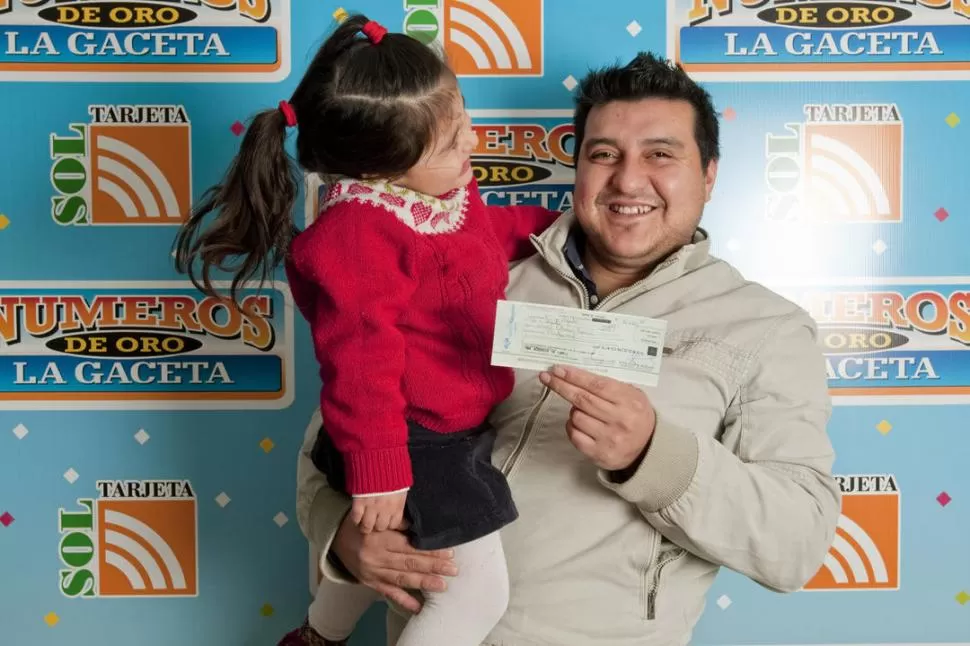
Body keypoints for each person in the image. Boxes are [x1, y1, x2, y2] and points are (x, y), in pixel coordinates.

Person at [294, 51, 842, 645]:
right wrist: (343, 542)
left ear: (709, 173)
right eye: (604, 154)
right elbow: (337, 445)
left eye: (661, 154)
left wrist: (653, 454)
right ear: (577, 166)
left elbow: (796, 545)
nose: (628, 180)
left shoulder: (765, 327)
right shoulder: (475, 271)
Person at [171, 13, 561, 646]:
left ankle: (317, 638)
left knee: (374, 558)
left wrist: (554, 229)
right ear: (384, 170)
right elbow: (360, 361)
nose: (471, 141)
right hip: (407, 433)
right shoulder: (357, 235)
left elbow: (487, 236)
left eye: (462, 116)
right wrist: (381, 469)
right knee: (475, 595)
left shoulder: (446, 194)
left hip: (447, 416)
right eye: (448, 141)